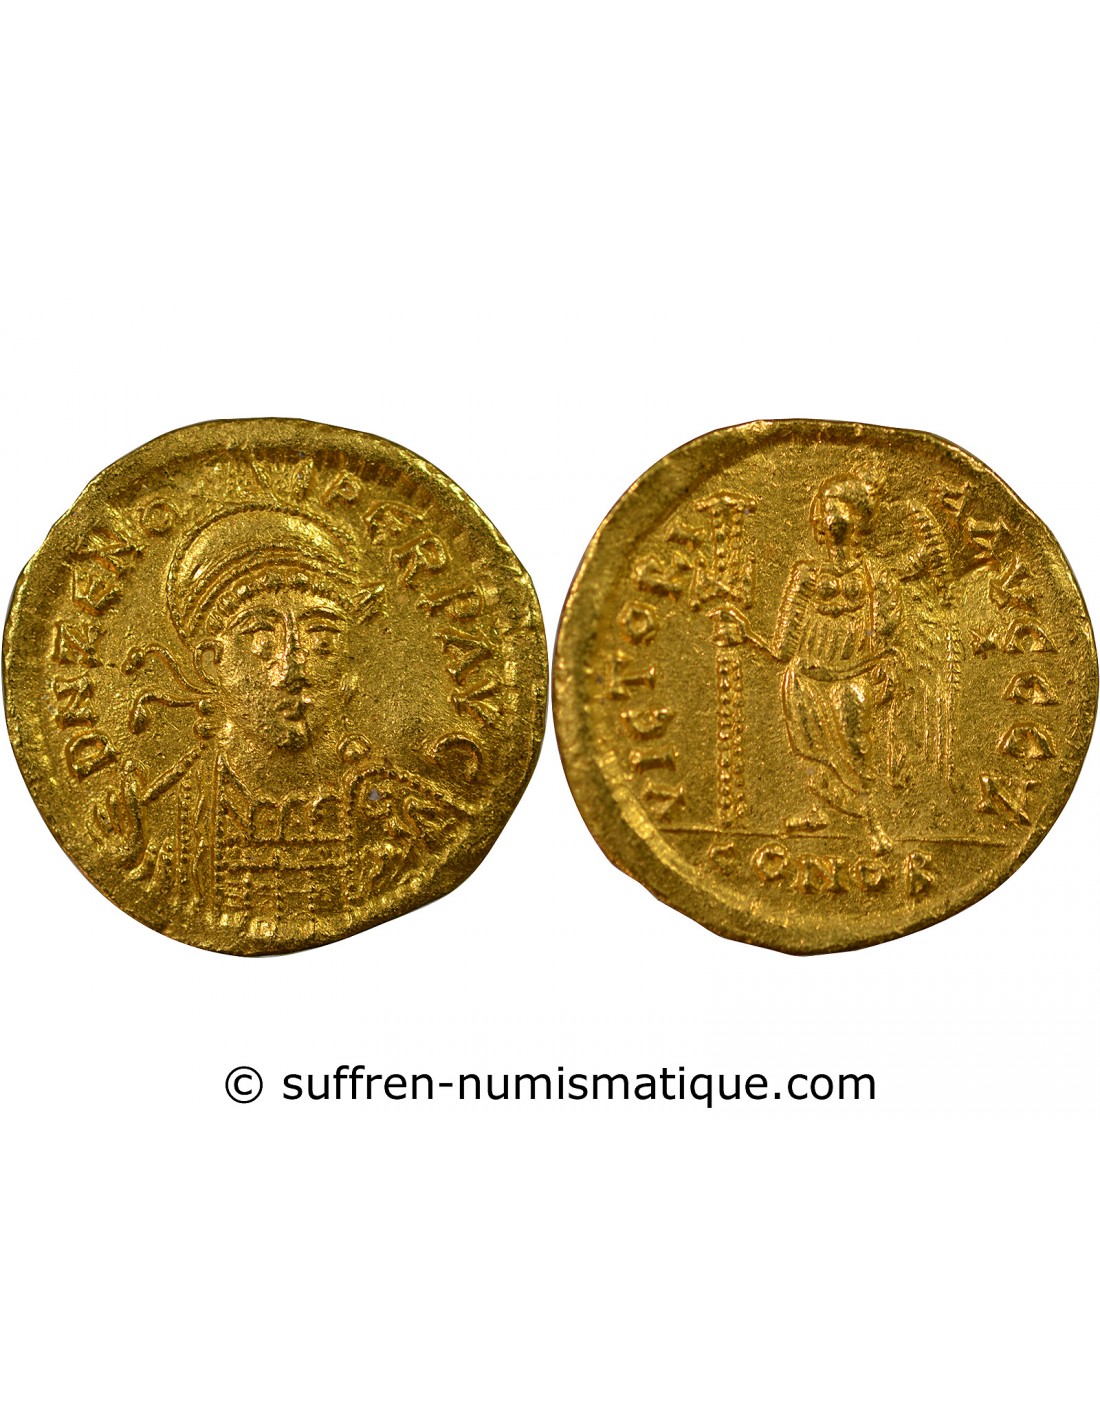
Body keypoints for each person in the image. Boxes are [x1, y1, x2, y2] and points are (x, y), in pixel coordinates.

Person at [105, 506, 462, 945]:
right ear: (213, 663)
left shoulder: (414, 816)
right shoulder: (153, 831)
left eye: (322, 640)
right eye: (261, 640)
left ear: (351, 663)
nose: (293, 668)